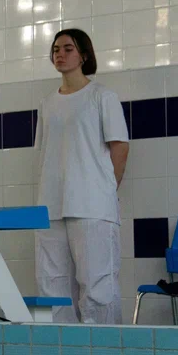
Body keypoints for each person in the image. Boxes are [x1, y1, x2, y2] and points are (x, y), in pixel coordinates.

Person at [34, 28, 129, 324]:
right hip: (51, 206)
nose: (60, 54)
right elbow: (45, 154)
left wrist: (105, 191)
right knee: (52, 287)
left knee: (97, 286)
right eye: (56, 49)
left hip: (92, 206)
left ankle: (104, 348)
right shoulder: (47, 104)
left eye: (68, 49)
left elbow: (120, 146)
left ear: (84, 55)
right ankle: (61, 347)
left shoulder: (102, 96)